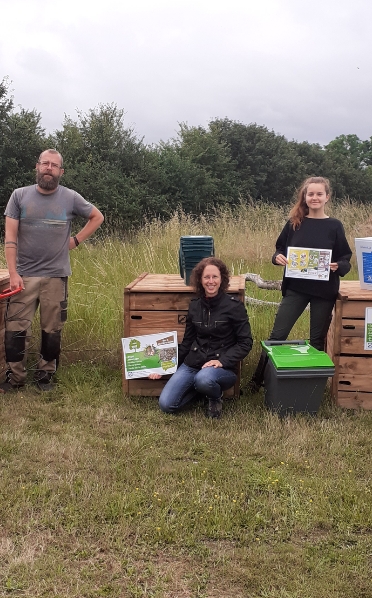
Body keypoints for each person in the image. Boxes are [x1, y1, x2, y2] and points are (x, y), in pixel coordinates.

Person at [0, 149, 104, 392]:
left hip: (56, 276)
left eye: (54, 165)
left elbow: (97, 217)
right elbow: (10, 236)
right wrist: (13, 273)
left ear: (61, 172)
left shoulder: (70, 198)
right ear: (37, 167)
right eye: (44, 164)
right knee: (15, 328)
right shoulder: (19, 196)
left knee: (52, 330)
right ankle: (15, 378)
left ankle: (45, 375)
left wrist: (75, 241)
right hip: (23, 275)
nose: (48, 168)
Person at [249, 176, 352, 390]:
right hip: (296, 289)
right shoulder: (294, 223)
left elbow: (345, 258)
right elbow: (279, 250)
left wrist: (338, 266)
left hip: (324, 292)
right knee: (277, 336)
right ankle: (257, 381)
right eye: (310, 194)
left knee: (316, 341)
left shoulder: (334, 226)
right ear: (304, 197)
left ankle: (312, 385)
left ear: (327, 197)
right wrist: (277, 258)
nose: (315, 197)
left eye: (319, 194)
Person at [149, 257, 253, 418]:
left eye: (215, 277)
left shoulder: (234, 306)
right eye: (206, 277)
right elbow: (187, 343)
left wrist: (222, 361)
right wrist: (163, 366)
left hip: (220, 368)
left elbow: (245, 343)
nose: (210, 281)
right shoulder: (194, 306)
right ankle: (200, 391)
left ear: (222, 279)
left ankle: (214, 397)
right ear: (200, 279)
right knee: (166, 404)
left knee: (204, 379)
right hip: (192, 364)